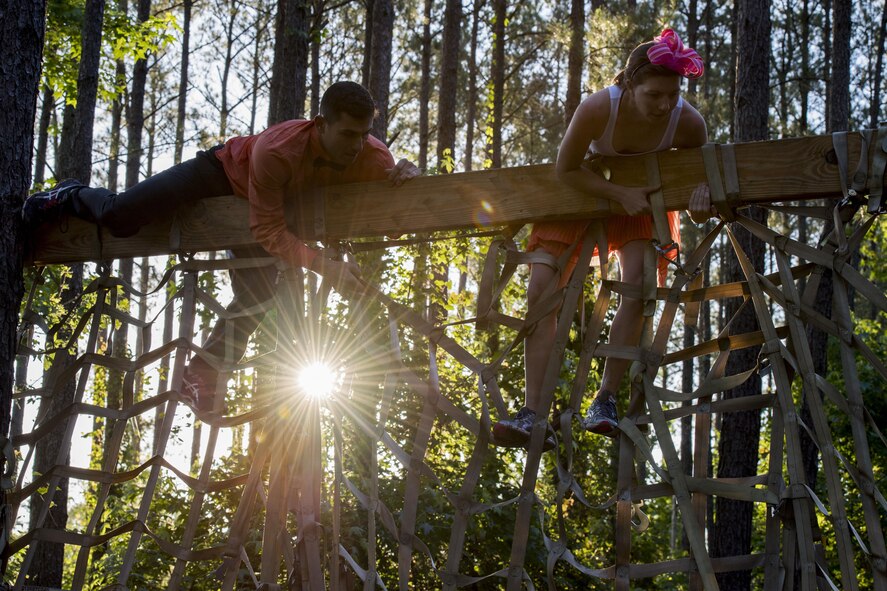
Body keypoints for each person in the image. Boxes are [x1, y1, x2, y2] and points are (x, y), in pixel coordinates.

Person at [23, 81, 420, 415]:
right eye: (348, 134)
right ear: (320, 124)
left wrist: (408, 185)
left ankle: (201, 374)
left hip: (275, 205)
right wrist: (324, 266)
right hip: (222, 175)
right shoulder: (277, 150)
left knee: (261, 293)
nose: (357, 144)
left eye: (365, 133)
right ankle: (68, 194)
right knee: (122, 216)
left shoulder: (372, 157)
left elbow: (394, 228)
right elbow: (266, 228)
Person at [491, 29, 715, 448]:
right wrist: (616, 194)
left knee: (640, 282)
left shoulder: (688, 122)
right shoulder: (598, 108)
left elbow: (696, 177)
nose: (665, 104)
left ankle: (606, 398)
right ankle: (533, 413)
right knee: (541, 289)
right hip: (587, 194)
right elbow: (566, 169)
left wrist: (698, 200)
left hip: (642, 204)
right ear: (629, 84)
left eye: (672, 94)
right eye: (654, 95)